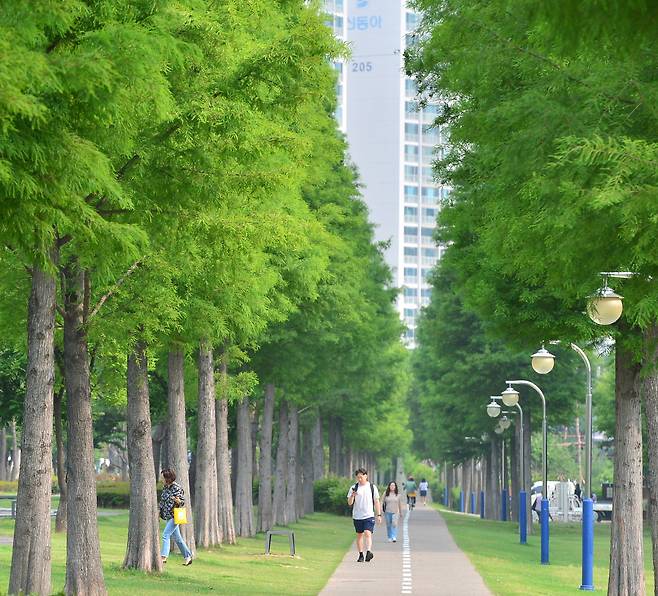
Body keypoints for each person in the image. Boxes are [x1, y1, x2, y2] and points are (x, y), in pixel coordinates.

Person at [346, 467, 382, 562]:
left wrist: (379, 515)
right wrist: (352, 496)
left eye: (361, 477)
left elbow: (376, 501)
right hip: (357, 515)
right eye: (358, 477)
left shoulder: (372, 487)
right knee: (359, 535)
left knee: (367, 533)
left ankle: (369, 551)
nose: (359, 479)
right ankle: (361, 554)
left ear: (366, 476)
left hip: (369, 515)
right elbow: (349, 503)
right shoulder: (354, 488)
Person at [159, 468, 193, 566]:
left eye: (163, 477)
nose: (161, 479)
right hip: (168, 515)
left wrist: (178, 501)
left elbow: (182, 501)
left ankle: (163, 557)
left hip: (176, 515)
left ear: (168, 478)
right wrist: (158, 513)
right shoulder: (165, 487)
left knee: (165, 535)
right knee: (178, 539)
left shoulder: (176, 487)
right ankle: (188, 556)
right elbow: (162, 502)